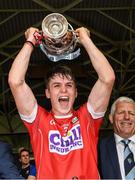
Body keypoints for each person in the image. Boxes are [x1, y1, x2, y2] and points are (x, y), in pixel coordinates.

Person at [8, 26, 115, 179]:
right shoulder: (38, 120)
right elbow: (15, 81)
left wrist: (85, 40)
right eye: (56, 86)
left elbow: (107, 78)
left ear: (76, 93)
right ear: (47, 93)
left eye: (69, 85)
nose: (63, 90)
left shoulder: (87, 117)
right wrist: (31, 41)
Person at [98, 96, 135, 179]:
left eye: (132, 113)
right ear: (111, 118)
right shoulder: (99, 147)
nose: (127, 117)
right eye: (121, 112)